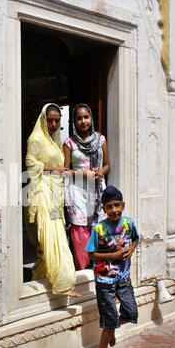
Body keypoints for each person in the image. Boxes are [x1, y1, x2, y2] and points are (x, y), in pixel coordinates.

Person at [25, 103, 81, 297]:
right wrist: (55, 170)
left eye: (57, 120)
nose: (54, 124)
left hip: (56, 195)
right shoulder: (36, 139)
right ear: (43, 120)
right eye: (50, 120)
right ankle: (63, 282)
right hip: (43, 195)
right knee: (52, 236)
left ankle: (38, 279)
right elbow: (30, 164)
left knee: (48, 241)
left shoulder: (55, 140)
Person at [85, 185, 139, 348]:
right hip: (105, 281)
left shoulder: (128, 224)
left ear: (122, 205)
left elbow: (136, 239)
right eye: (110, 206)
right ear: (104, 209)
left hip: (123, 278)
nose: (114, 210)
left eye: (117, 205)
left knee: (131, 313)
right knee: (109, 319)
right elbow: (91, 255)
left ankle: (112, 327)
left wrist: (131, 249)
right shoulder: (99, 229)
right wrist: (112, 257)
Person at [63, 103, 110, 270]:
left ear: (91, 118)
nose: (83, 121)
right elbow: (65, 171)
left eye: (86, 117)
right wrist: (85, 174)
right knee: (80, 229)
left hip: (97, 190)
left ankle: (101, 267)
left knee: (98, 227)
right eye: (79, 118)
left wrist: (100, 173)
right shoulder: (69, 143)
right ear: (74, 122)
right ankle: (83, 269)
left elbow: (107, 165)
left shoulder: (101, 139)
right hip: (77, 191)